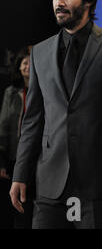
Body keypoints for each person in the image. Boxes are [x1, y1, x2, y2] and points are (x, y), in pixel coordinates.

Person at [9, 0, 102, 229]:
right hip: (49, 181)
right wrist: (20, 174)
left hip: (97, 182)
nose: (59, 2)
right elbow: (32, 120)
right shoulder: (40, 53)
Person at [0, 46, 33, 228]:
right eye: (24, 63)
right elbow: (3, 127)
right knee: (14, 206)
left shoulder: (44, 90)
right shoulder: (11, 93)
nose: (28, 66)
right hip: (14, 157)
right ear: (19, 66)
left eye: (31, 63)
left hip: (37, 159)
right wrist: (2, 161)